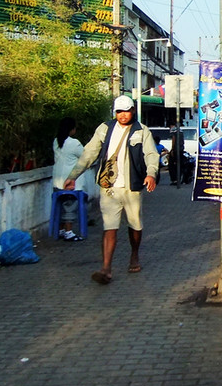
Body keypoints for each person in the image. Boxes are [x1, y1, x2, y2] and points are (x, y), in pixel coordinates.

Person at [64, 95, 159, 285]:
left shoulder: (142, 131)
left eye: (126, 111)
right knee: (109, 227)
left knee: (135, 225)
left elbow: (151, 154)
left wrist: (151, 174)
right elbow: (89, 153)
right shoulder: (105, 129)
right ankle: (106, 268)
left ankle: (134, 254)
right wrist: (73, 176)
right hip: (109, 187)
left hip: (132, 187)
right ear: (114, 112)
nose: (123, 115)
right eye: (119, 111)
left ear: (133, 111)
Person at [52, 117, 86, 241]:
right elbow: (85, 157)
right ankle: (69, 231)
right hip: (70, 181)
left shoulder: (56, 141)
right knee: (70, 206)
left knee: (60, 206)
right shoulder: (74, 143)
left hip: (57, 180)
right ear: (72, 129)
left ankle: (60, 230)